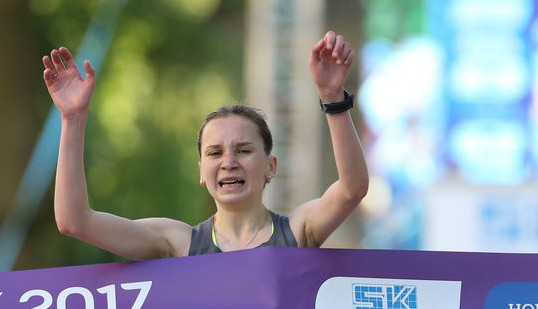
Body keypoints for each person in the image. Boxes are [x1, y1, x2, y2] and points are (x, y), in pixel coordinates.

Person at [42, 30, 368, 259]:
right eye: (215, 152)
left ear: (271, 167)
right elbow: (74, 221)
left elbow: (352, 189)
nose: (229, 162)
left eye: (243, 150)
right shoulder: (178, 243)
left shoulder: (298, 230)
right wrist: (72, 119)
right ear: (201, 171)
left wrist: (332, 99)